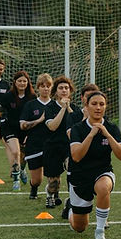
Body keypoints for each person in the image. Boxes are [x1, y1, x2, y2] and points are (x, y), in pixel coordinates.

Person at [62, 90, 121, 239]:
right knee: (79, 227)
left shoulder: (111, 128)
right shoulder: (78, 129)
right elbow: (76, 156)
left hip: (102, 172)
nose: (98, 107)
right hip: (80, 176)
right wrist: (91, 135)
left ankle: (99, 231)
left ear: (106, 107)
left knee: (104, 187)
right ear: (87, 106)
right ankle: (73, 209)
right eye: (94, 104)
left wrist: (107, 135)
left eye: (101, 104)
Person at [0, 70, 35, 190]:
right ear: (15, 82)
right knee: (15, 152)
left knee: (24, 156)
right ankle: (16, 180)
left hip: (25, 129)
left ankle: (22, 170)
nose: (22, 83)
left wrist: (31, 132)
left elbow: (34, 116)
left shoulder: (32, 97)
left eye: (24, 81)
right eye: (20, 81)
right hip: (9, 128)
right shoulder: (8, 96)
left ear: (28, 83)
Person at [42, 75, 75, 209]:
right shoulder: (50, 107)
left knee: (72, 170)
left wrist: (68, 108)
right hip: (52, 147)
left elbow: (77, 124)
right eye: (61, 88)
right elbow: (52, 126)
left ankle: (73, 199)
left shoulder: (74, 108)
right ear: (56, 91)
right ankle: (50, 195)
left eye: (66, 88)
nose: (64, 90)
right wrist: (62, 108)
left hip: (69, 147)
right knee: (54, 183)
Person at [20, 73, 53, 200]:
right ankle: (33, 188)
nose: (45, 88)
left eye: (48, 86)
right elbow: (22, 125)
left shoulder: (55, 105)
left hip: (51, 145)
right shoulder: (30, 105)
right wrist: (39, 120)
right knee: (37, 180)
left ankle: (53, 195)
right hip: (34, 145)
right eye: (42, 86)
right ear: (38, 88)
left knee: (53, 176)